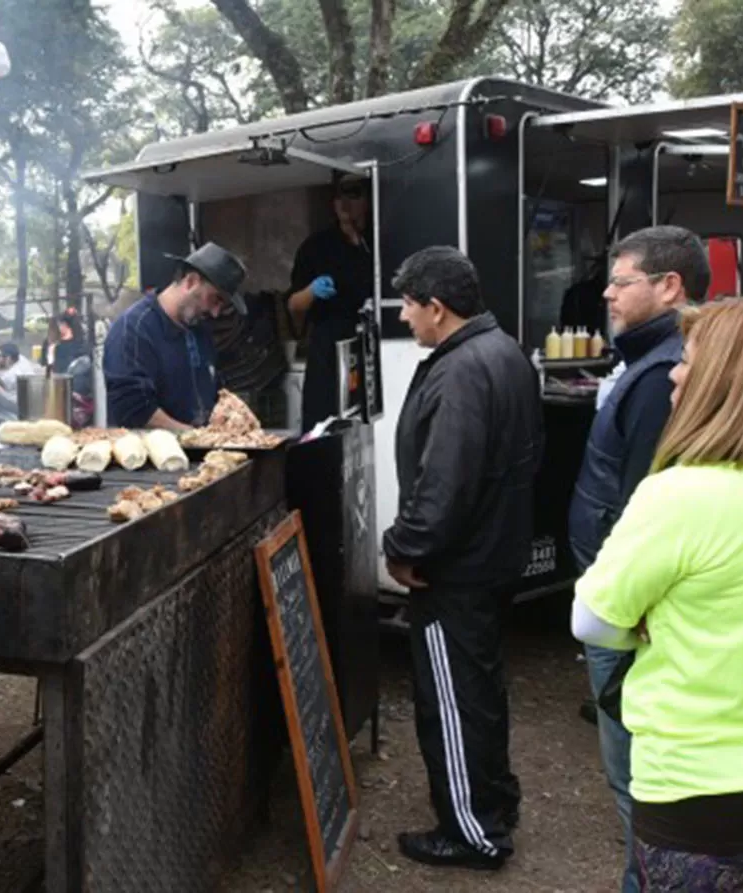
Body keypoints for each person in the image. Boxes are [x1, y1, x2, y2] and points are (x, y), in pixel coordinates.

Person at [572, 298, 743, 891]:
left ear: (727, 383)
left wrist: (648, 620)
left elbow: (593, 621)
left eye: (689, 362)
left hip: (700, 801)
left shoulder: (680, 497)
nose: (676, 375)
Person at [382, 246, 542, 870]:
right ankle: (495, 797)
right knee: (479, 686)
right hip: (493, 554)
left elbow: (445, 483)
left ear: (438, 308)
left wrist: (405, 547)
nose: (403, 317)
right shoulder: (501, 349)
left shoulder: (461, 370)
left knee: (450, 697)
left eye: (408, 304)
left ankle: (473, 833)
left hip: (458, 568)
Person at [565, 225, 708, 893]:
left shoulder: (660, 377)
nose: (608, 291)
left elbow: (644, 511)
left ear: (669, 286)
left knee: (637, 785)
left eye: (621, 280)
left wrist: (624, 602)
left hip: (629, 614)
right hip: (626, 604)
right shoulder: (649, 362)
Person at [102, 242, 247, 431]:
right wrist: (193, 437)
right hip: (149, 456)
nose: (216, 313)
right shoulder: (134, 328)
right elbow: (133, 409)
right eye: (216, 299)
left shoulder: (201, 331)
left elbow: (213, 393)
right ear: (191, 281)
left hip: (201, 452)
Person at [288, 171, 374, 429]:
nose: (345, 204)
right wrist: (312, 292)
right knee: (322, 424)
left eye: (354, 195)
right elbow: (293, 304)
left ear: (368, 200)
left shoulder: (379, 239)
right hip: (328, 347)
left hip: (368, 345)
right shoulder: (316, 246)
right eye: (339, 197)